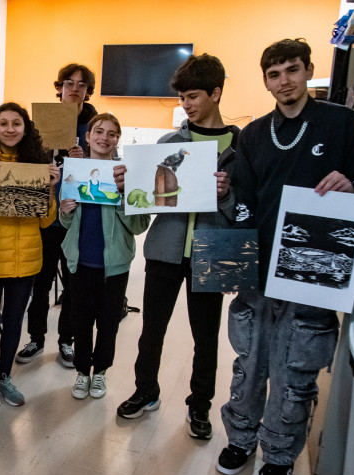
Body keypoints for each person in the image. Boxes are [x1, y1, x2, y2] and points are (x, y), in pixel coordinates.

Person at [216, 38, 354, 475]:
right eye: (274, 74)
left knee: (297, 364)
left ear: (308, 70)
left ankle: (279, 456)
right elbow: (243, 203)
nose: (284, 81)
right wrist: (223, 200)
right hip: (259, 263)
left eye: (292, 70)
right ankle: (240, 439)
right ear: (265, 81)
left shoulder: (342, 123)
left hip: (313, 263)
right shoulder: (254, 134)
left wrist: (353, 183)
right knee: (250, 359)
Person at [116, 54, 239, 442]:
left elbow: (248, 208)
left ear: (216, 93)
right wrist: (129, 187)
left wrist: (227, 194)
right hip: (165, 250)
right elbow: (150, 200)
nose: (186, 104)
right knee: (152, 329)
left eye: (193, 95)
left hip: (215, 251)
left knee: (206, 336)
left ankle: (199, 405)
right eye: (182, 97)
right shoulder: (169, 142)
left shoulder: (241, 146)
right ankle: (145, 391)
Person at [0, 102, 59, 420]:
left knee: (14, 324)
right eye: (2, 123)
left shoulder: (37, 165)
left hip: (27, 260)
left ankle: (5, 378)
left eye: (16, 123)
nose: (9, 129)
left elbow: (46, 223)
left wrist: (49, 190)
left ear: (25, 128)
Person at [59, 113, 149, 400]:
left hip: (114, 265)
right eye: (98, 131)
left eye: (111, 133)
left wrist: (123, 197)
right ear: (87, 137)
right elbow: (66, 224)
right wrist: (65, 211)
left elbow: (140, 224)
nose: (104, 137)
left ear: (117, 140)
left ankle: (100, 373)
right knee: (80, 321)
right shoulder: (74, 172)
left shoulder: (128, 176)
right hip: (79, 262)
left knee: (108, 322)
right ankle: (82, 372)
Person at [16, 63, 97, 368]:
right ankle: (36, 338)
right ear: (59, 87)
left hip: (76, 217)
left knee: (74, 284)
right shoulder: (41, 122)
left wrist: (85, 159)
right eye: (68, 83)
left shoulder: (93, 125)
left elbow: (102, 169)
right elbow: (23, 164)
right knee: (40, 281)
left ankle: (66, 340)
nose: (74, 88)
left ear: (88, 91)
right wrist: (40, 153)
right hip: (43, 214)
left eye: (81, 84)